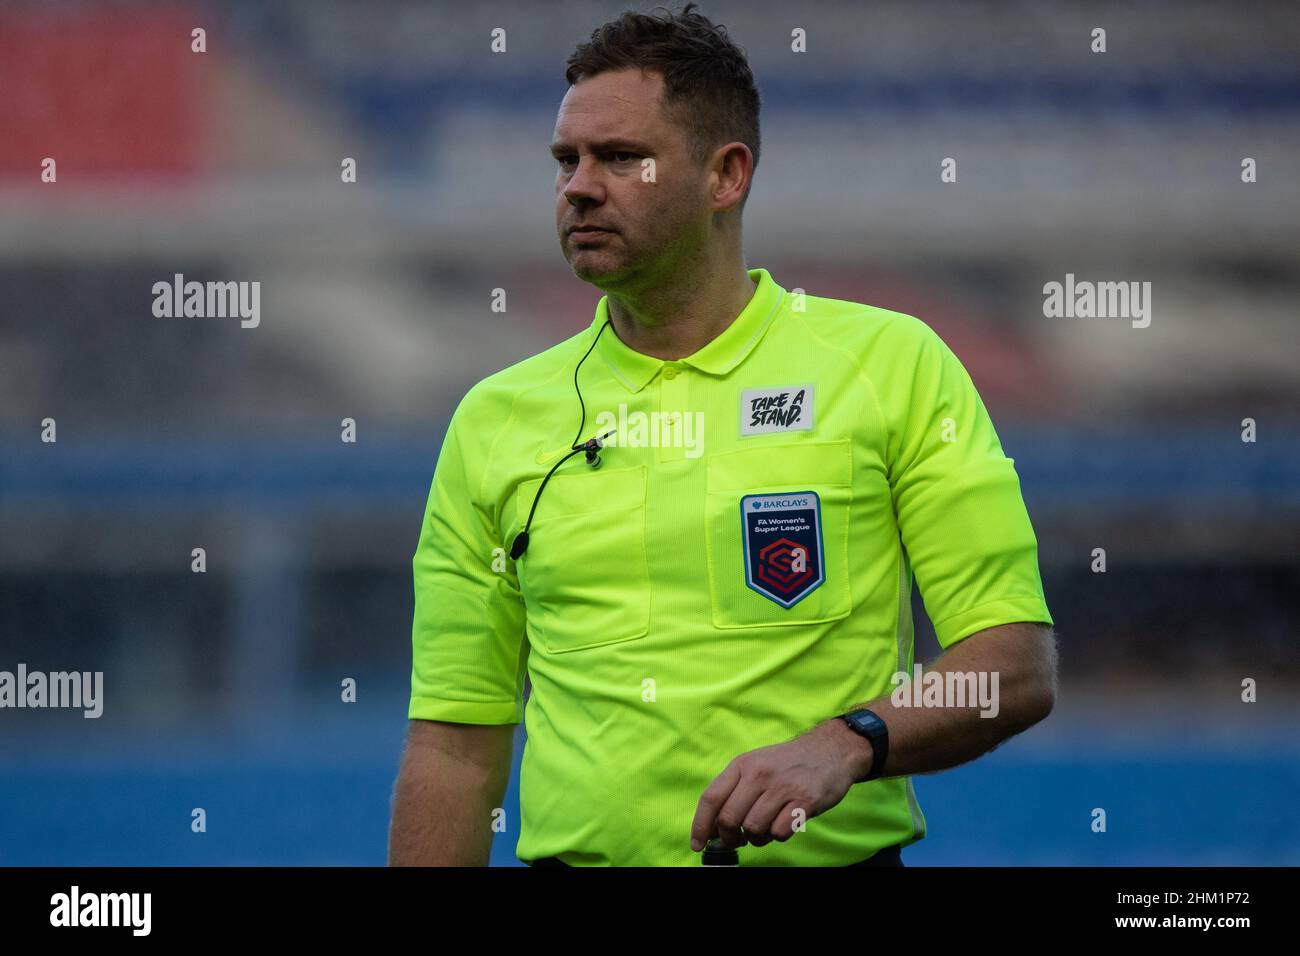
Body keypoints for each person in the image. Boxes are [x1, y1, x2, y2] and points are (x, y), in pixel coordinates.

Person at [388, 3, 1057, 868]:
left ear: (725, 175)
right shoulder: (495, 419)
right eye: (567, 160)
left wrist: (851, 742)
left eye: (622, 157)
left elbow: (1014, 664)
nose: (578, 186)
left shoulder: (891, 365)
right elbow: (453, 746)